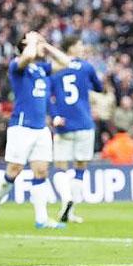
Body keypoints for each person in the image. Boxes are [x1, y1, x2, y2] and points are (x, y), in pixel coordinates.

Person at [0, 32, 71, 230]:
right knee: (13, 171)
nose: (40, 45)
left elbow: (66, 62)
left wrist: (46, 45)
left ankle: (41, 219)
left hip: (41, 129)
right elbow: (27, 57)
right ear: (24, 44)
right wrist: (32, 41)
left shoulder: (42, 69)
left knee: (41, 171)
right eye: (36, 42)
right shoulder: (17, 65)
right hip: (21, 127)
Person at [50, 37, 103, 223]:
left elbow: (49, 97)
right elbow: (99, 87)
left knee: (60, 167)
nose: (82, 48)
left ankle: (66, 201)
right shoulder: (86, 67)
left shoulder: (55, 71)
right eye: (79, 45)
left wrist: (55, 115)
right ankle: (71, 209)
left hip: (64, 124)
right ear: (70, 48)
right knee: (80, 167)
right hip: (85, 123)